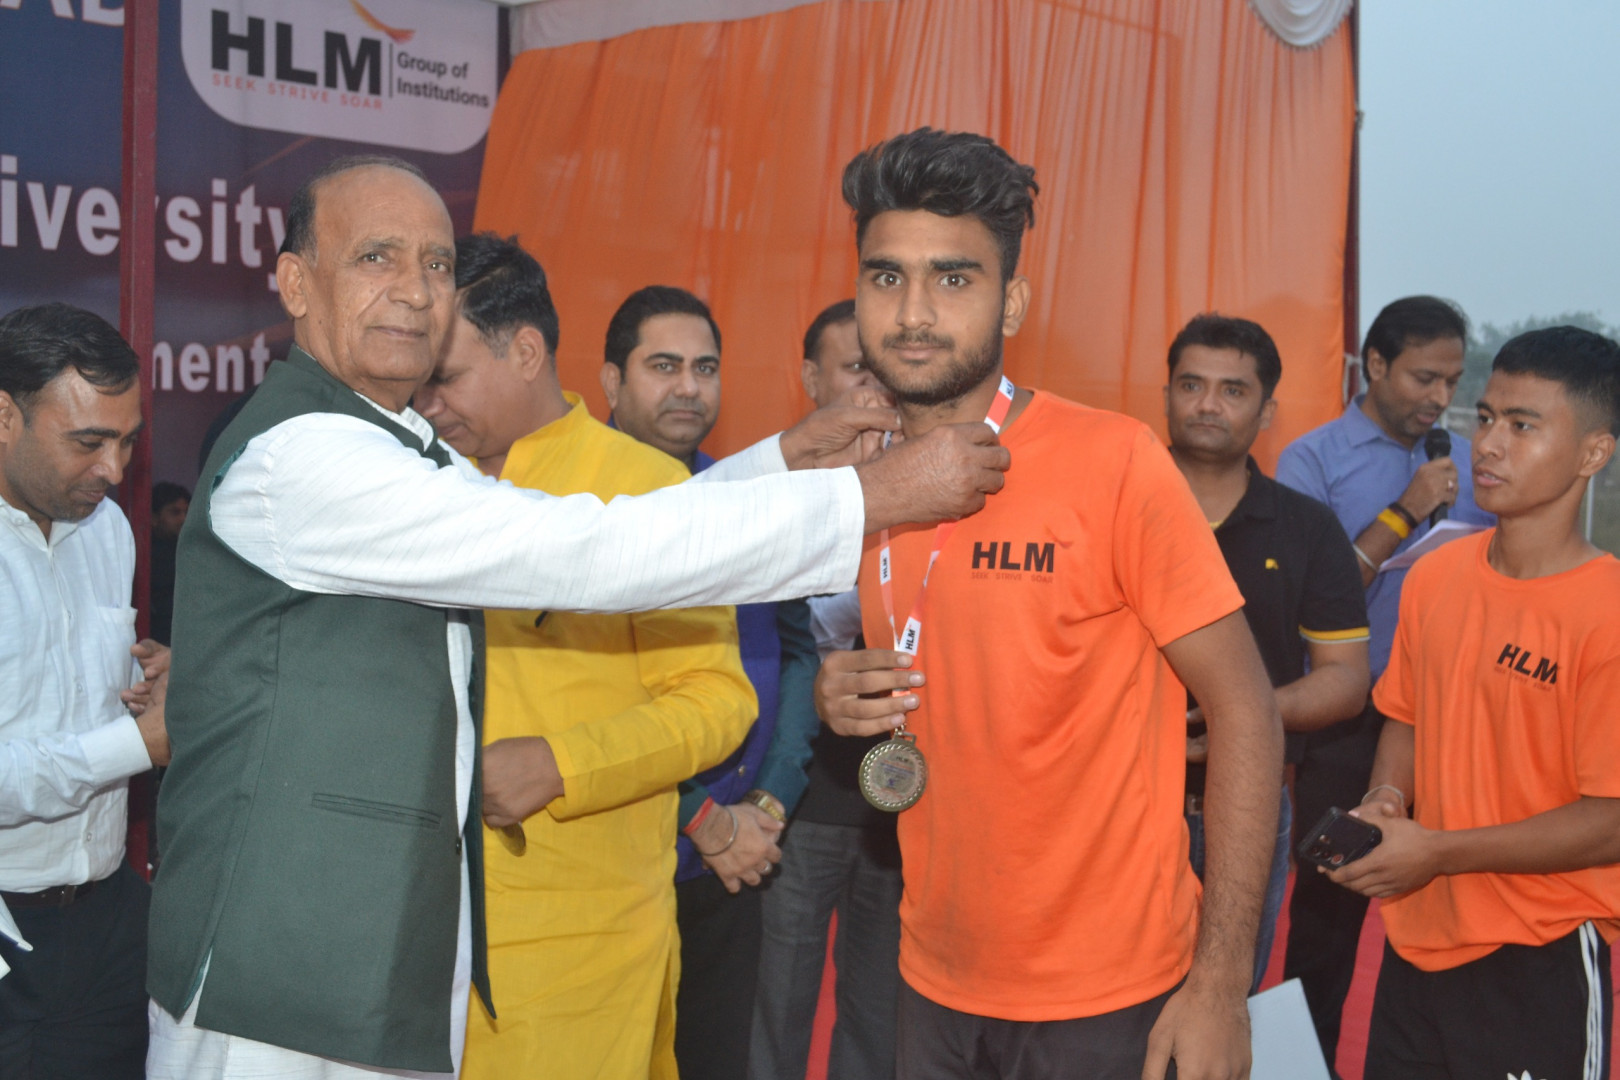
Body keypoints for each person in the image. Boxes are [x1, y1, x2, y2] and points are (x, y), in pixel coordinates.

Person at [144, 154, 1011, 1080]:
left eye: (436, 264)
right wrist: (869, 498)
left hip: (389, 962)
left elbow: (594, 525)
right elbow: (577, 550)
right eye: (375, 258)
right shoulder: (308, 455)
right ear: (294, 283)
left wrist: (780, 462)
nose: (415, 290)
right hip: (276, 983)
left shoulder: (398, 444)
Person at [815, 128, 1282, 1080]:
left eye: (953, 279)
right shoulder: (860, 480)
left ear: (1012, 301)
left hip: (1110, 993)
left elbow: (1247, 711)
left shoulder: (1114, 462)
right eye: (887, 277)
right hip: (932, 972)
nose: (914, 312)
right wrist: (841, 695)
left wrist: (1221, 983)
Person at [414, 233, 760, 1080]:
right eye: (415, 382)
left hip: (577, 945)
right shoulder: (413, 484)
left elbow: (718, 702)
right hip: (413, 930)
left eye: (446, 378)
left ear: (527, 352)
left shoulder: (644, 490)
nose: (427, 404)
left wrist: (561, 765)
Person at [1328, 326, 1620, 1078]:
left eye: (1523, 426)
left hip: (1539, 950)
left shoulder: (1608, 613)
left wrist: (1439, 852)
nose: (1487, 445)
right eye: (1485, 417)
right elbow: (1406, 718)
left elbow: (1611, 820)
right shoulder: (1436, 575)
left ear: (1593, 453)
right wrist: (1388, 799)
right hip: (1415, 943)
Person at [601, 285, 825, 1079]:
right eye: (664, 366)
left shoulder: (750, 501)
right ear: (611, 381)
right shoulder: (570, 507)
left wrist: (767, 804)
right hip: (620, 861)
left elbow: (799, 654)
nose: (689, 387)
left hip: (739, 862)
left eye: (705, 368)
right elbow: (592, 700)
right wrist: (702, 819)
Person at [1275, 295, 1494, 1069]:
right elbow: (1311, 596)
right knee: (1324, 920)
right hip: (1347, 718)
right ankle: (1296, 1066)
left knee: (1453, 902)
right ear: (1375, 365)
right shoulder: (1312, 460)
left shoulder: (1474, 463)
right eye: (1424, 378)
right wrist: (1406, 510)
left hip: (1454, 718)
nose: (1440, 397)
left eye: (1452, 381)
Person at [1163, 313, 1371, 995]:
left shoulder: (1308, 528)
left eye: (1232, 390)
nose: (1207, 404)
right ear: (1167, 394)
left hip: (1249, 803)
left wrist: (1242, 714)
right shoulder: (1111, 506)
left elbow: (1345, 681)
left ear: (1267, 411)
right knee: (1101, 1010)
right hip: (1113, 797)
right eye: (1191, 384)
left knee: (1222, 1001)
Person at [0, 302, 172, 1078]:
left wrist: (150, 678)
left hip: (106, 923)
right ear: (5, 417)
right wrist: (136, 745)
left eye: (127, 441)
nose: (114, 470)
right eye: (88, 442)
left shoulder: (107, 527)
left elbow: (70, 692)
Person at [752, 298, 905, 1080]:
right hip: (797, 804)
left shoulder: (936, 497)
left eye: (886, 373)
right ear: (811, 379)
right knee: (774, 1013)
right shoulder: (763, 496)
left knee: (880, 1024)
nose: (875, 392)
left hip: (903, 811)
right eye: (855, 371)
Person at [148, 481, 189, 646]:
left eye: (186, 512)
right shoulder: (145, 554)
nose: (183, 519)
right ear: (154, 518)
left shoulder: (192, 550)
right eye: (175, 512)